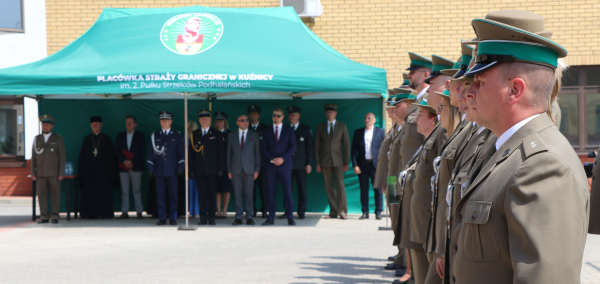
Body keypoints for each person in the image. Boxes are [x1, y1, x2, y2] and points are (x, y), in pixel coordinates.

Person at [445, 10, 588, 284]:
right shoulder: (503, 150)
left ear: (514, 91)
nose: (469, 92)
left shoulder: (543, 166)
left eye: (480, 81)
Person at [147, 111, 184, 226]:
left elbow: (181, 154)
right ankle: (162, 218)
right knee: (160, 196)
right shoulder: (155, 136)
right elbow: (150, 154)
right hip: (159, 171)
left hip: (173, 172)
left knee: (173, 195)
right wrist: (150, 167)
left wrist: (180, 167)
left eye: (166, 120)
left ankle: (172, 218)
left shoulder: (177, 135)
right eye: (162, 120)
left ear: (171, 122)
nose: (164, 122)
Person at [189, 109, 225, 226]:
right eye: (202, 118)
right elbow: (191, 155)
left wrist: (220, 169)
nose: (204, 120)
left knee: (212, 195)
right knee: (201, 196)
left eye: (207, 118)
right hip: (199, 171)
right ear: (199, 120)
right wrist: (191, 170)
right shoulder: (194, 134)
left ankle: (212, 218)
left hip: (212, 171)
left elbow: (221, 154)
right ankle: (203, 218)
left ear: (210, 120)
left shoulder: (216, 134)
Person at [261, 107, 297, 226]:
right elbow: (264, 148)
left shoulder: (289, 129)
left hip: (285, 165)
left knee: (287, 192)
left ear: (282, 117)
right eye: (274, 115)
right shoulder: (266, 130)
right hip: (270, 166)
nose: (275, 117)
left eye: (278, 116)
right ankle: (271, 217)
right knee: (270, 192)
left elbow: (293, 147)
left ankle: (290, 216)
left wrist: (282, 158)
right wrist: (272, 159)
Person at [314, 103, 350, 219]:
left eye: (331, 112)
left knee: (340, 185)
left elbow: (347, 145)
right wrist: (318, 163)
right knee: (328, 186)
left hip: (338, 161)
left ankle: (342, 211)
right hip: (324, 161)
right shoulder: (320, 126)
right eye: (328, 112)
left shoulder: (342, 126)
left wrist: (346, 162)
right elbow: (316, 146)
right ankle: (333, 211)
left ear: (336, 113)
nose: (329, 114)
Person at [78, 116, 118, 219]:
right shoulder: (87, 139)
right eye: (93, 124)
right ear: (91, 126)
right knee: (90, 193)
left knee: (103, 193)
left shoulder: (107, 139)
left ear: (101, 125)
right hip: (89, 173)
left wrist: (110, 172)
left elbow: (111, 158)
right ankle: (89, 213)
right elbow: (82, 158)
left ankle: (104, 213)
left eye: (97, 124)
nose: (95, 126)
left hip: (103, 173)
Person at [278, 105, 313, 220]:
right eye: (290, 115)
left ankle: (301, 211)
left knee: (302, 189)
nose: (291, 116)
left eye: (293, 115)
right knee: (287, 189)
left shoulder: (306, 129)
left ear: (299, 116)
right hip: (287, 164)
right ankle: (288, 211)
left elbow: (309, 148)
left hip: (301, 164)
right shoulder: (284, 128)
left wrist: (309, 163)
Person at [31, 115, 66, 224]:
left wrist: (61, 172)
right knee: (42, 195)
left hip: (54, 173)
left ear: (52, 126)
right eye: (43, 125)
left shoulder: (58, 138)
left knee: (55, 195)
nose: (45, 127)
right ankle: (44, 216)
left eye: (47, 125)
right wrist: (33, 172)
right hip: (41, 172)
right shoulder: (37, 139)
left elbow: (62, 157)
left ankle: (55, 216)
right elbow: (34, 157)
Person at [228, 115, 261, 225]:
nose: (245, 122)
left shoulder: (254, 135)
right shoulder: (231, 135)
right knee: (237, 194)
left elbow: (257, 154)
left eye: (247, 120)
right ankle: (238, 217)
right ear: (237, 122)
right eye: (242, 120)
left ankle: (249, 216)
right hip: (236, 169)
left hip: (250, 169)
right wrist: (229, 170)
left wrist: (257, 170)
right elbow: (228, 154)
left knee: (249, 194)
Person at [351, 113, 385, 220]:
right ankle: (365, 212)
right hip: (363, 165)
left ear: (374, 120)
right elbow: (353, 151)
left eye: (369, 118)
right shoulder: (358, 132)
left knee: (378, 189)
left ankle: (378, 212)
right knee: (364, 189)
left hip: (376, 165)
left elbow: (385, 149)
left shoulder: (381, 131)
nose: (367, 120)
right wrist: (355, 165)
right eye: (365, 118)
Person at [115, 115, 146, 220]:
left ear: (135, 124)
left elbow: (141, 151)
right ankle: (124, 212)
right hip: (123, 167)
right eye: (127, 122)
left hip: (136, 166)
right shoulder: (120, 135)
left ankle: (139, 211)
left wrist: (132, 161)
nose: (129, 124)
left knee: (137, 190)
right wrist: (124, 161)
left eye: (131, 122)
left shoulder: (140, 135)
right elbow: (117, 151)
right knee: (124, 190)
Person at [248, 104, 269, 218]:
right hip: (249, 164)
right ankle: (252, 210)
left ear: (258, 115)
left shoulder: (265, 128)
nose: (253, 115)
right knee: (250, 189)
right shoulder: (246, 128)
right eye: (251, 113)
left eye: (255, 113)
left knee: (264, 188)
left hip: (263, 164)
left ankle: (265, 209)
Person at [214, 111, 233, 219]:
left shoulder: (230, 134)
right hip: (215, 165)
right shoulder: (212, 133)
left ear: (225, 122)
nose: (219, 123)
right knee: (217, 189)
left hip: (227, 165)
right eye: (217, 121)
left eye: (221, 121)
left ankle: (225, 210)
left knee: (226, 188)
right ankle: (218, 211)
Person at [187, 120, 200, 218]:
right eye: (188, 130)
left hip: (198, 167)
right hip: (188, 167)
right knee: (190, 190)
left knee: (198, 189)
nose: (190, 132)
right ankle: (191, 211)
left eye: (192, 130)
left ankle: (197, 211)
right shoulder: (184, 139)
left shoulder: (199, 138)